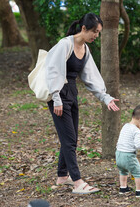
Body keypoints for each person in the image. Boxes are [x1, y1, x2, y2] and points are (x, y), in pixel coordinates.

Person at [45, 13, 120, 194]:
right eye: (94, 31)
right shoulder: (65, 44)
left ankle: (63, 176)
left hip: (72, 93)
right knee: (69, 139)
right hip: (59, 95)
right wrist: (56, 98)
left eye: (99, 32)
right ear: (84, 28)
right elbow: (53, 70)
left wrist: (105, 97)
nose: (96, 35)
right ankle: (78, 182)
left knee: (71, 138)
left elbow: (91, 76)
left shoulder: (85, 49)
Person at [115, 104, 140, 198]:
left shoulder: (125, 126)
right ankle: (139, 191)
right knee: (138, 172)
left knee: (123, 171)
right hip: (128, 156)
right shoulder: (136, 130)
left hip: (118, 155)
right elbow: (138, 144)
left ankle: (123, 188)